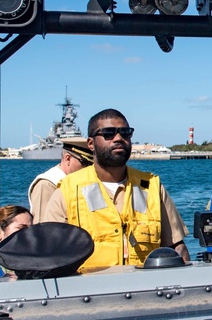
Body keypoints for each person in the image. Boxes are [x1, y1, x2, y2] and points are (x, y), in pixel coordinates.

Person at [38, 108, 191, 269]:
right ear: (91, 144)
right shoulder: (68, 191)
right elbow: (50, 256)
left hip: (145, 290)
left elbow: (176, 247)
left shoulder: (151, 187)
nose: (118, 138)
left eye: (125, 133)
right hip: (90, 290)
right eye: (108, 133)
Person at [27, 137, 93, 221]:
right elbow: (43, 226)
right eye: (86, 163)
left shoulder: (87, 181)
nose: (90, 168)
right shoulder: (47, 184)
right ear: (68, 159)